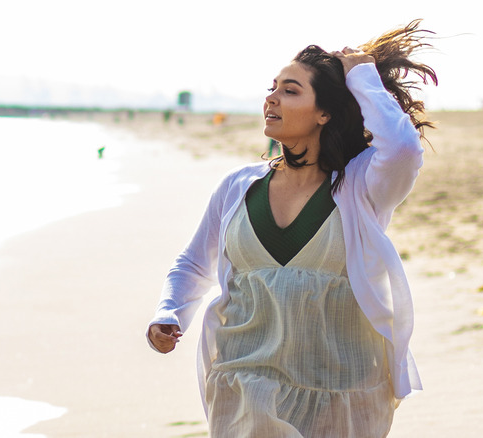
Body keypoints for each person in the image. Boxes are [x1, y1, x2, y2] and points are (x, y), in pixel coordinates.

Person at [147, 19, 437, 437]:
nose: (271, 99)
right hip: (244, 385)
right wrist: (169, 311)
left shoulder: (361, 186)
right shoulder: (237, 187)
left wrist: (360, 74)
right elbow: (194, 262)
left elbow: (404, 148)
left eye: (290, 90)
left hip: (339, 392)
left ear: (324, 113)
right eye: (272, 88)